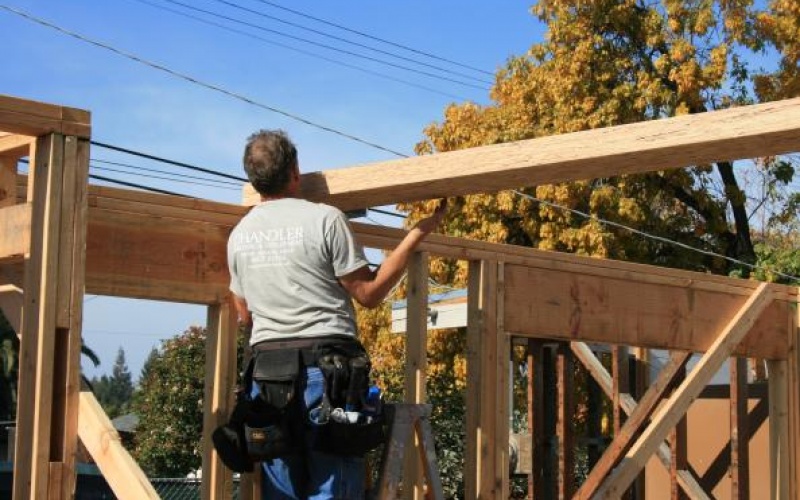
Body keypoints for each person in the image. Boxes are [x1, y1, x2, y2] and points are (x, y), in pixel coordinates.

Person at [227, 129, 446, 499]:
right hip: (324, 375)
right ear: (295, 171)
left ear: (253, 178)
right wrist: (415, 235)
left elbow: (243, 315)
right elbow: (369, 293)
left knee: (281, 492)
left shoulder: (240, 234)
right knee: (333, 489)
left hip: (268, 379)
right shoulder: (325, 220)